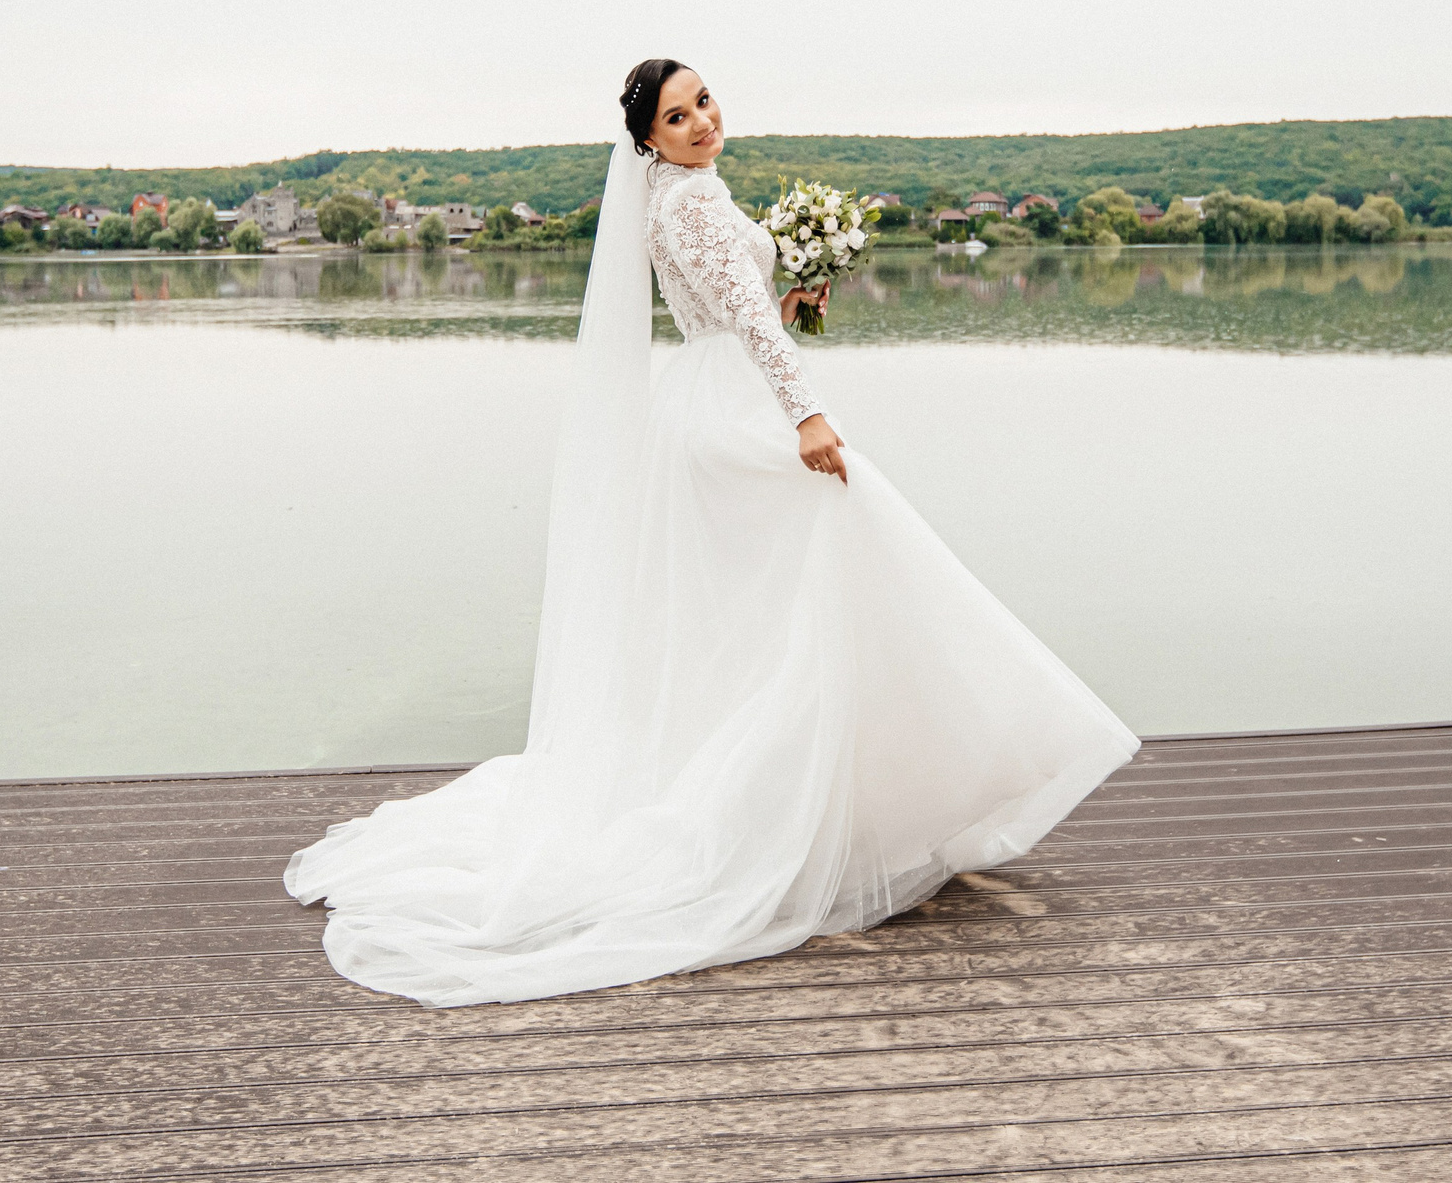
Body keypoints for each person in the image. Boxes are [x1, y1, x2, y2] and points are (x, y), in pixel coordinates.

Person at [285, 60, 1137, 1006]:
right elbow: (740, 319)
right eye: (677, 115)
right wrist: (807, 414)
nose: (700, 121)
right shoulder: (688, 205)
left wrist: (791, 294)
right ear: (646, 139)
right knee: (844, 546)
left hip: (702, 403)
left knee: (760, 613)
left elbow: (739, 305)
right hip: (735, 409)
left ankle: (827, 795)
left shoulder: (683, 195)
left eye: (704, 102)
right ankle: (849, 797)